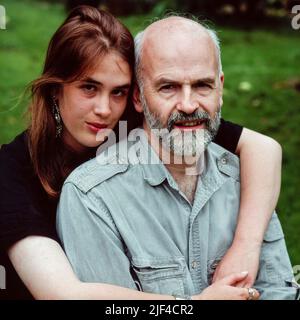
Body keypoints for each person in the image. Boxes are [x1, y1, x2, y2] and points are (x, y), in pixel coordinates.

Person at [0, 6, 282, 300]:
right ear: (56, 90)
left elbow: (264, 149)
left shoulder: (142, 120)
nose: (104, 109)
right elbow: (60, 293)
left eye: (118, 91)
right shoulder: (12, 172)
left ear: (136, 95)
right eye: (89, 88)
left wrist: (245, 246)